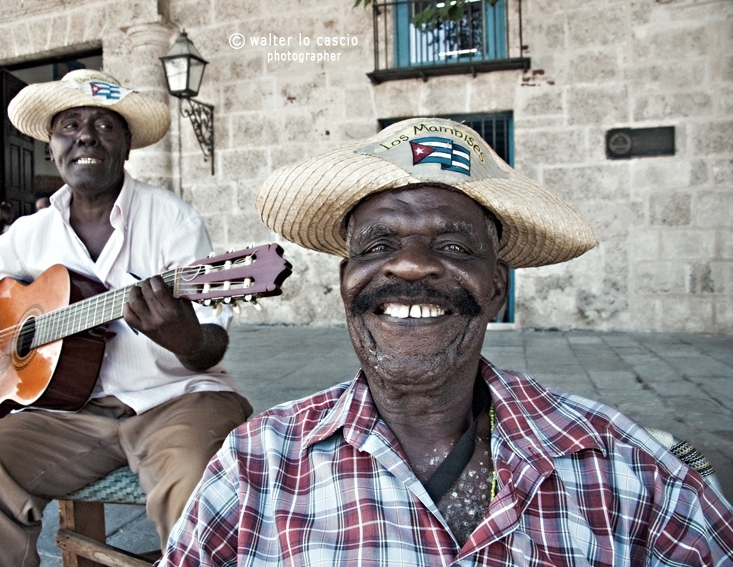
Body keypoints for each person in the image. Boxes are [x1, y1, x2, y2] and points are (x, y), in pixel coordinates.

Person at [163, 118, 733, 565]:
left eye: (456, 247)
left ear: (495, 288)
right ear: (345, 284)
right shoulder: (254, 464)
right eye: (378, 246)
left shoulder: (635, 473)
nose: (410, 266)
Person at [0, 69, 252, 566]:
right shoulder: (31, 230)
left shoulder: (173, 219)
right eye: (70, 125)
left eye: (105, 126)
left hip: (174, 401)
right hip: (70, 415)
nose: (86, 135)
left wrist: (182, 338)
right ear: (52, 146)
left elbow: (209, 346)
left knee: (197, 481)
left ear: (127, 146)